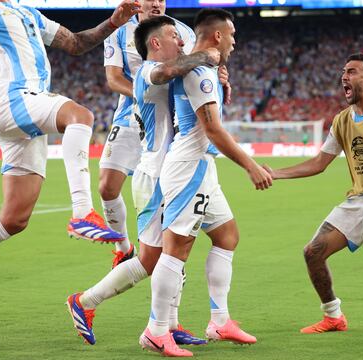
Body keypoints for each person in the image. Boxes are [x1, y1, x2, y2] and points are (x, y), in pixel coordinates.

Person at [0, 0, 142, 325]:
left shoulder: (29, 13)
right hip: (11, 96)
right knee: (80, 116)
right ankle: (81, 213)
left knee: (14, 218)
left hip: (27, 105)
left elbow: (75, 43)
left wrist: (113, 23)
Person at [66, 15, 220, 347]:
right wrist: (204, 56)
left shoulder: (167, 75)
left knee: (176, 250)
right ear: (154, 43)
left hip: (170, 173)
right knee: (153, 259)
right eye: (173, 37)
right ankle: (85, 302)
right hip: (155, 177)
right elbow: (169, 71)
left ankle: (170, 323)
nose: (180, 41)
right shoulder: (149, 72)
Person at [263, 53, 363, 349]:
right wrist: (277, 173)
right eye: (343, 72)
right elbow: (319, 163)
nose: (344, 77)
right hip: (362, 196)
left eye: (351, 72)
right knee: (312, 252)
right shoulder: (341, 120)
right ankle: (333, 316)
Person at [139, 9, 272, 357]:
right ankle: (155, 331)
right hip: (188, 167)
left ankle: (220, 321)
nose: (234, 41)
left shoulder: (203, 69)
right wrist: (250, 166)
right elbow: (212, 129)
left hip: (202, 166)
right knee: (177, 249)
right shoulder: (200, 71)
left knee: (227, 235)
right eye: (231, 35)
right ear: (216, 36)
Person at [97, 0, 199, 268]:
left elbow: (194, 71)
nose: (156, 3)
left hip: (167, 119)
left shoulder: (182, 33)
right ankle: (123, 247)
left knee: (166, 190)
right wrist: (143, 94)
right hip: (130, 117)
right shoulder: (119, 31)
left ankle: (168, 256)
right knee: (107, 186)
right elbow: (113, 78)